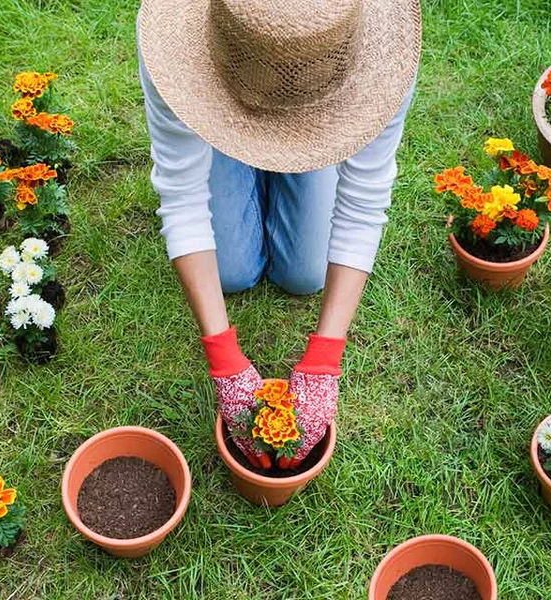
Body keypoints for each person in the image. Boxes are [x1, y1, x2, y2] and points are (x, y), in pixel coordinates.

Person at [136, 0, 421, 468]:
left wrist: (326, 358)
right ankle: (236, 148)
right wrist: (223, 358)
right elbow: (182, 196)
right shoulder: (172, 47)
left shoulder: (385, 61)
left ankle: (292, 147)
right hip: (221, 88)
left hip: (319, 101)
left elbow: (365, 201)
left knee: (307, 272)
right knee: (231, 271)